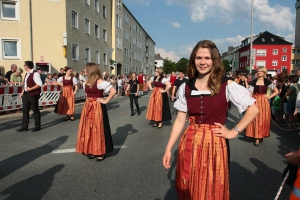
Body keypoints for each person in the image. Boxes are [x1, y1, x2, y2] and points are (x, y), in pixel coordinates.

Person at [162, 40, 259, 200]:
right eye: (199, 57)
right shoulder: (186, 87)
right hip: (190, 141)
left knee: (211, 185)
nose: (202, 62)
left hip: (214, 143)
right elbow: (180, 120)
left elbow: (253, 109)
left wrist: (233, 132)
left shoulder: (226, 85)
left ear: (214, 60)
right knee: (190, 184)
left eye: (207, 58)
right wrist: (168, 148)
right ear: (193, 60)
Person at [76, 63, 116, 161]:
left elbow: (113, 91)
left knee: (98, 129)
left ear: (91, 70)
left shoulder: (100, 81)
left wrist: (105, 101)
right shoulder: (88, 80)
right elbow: (87, 93)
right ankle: (92, 150)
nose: (84, 70)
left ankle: (101, 152)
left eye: (86, 69)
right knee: (89, 128)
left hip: (97, 107)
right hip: (88, 106)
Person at [245, 67, 279, 146]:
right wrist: (249, 103)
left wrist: (268, 96)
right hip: (255, 101)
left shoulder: (268, 82)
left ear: (264, 73)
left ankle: (261, 135)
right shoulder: (253, 82)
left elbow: (276, 91)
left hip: (264, 102)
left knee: (263, 119)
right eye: (258, 71)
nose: (258, 72)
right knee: (255, 119)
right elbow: (250, 93)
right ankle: (256, 137)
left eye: (260, 71)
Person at [17, 61, 42, 132]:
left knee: (35, 110)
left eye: (24, 65)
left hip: (33, 94)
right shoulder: (27, 74)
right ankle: (24, 127)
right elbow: (25, 85)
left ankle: (37, 125)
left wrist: (30, 89)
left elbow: (39, 84)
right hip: (26, 94)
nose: (24, 66)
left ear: (27, 66)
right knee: (25, 110)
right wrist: (22, 92)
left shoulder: (35, 73)